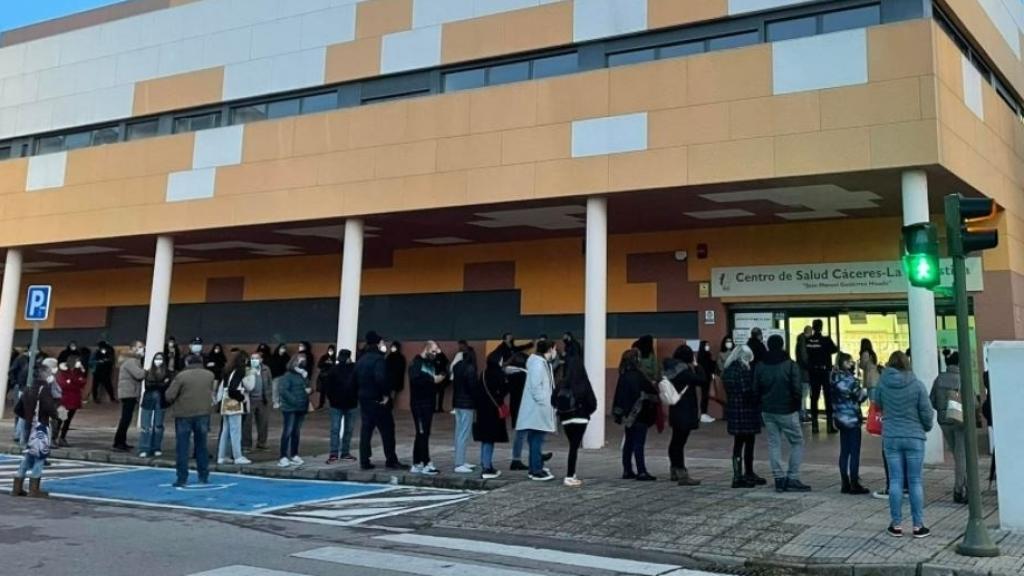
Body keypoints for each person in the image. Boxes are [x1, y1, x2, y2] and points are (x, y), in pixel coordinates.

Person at [875, 351, 934, 538]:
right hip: (914, 436)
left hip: (891, 436)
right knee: (915, 480)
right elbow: (926, 412)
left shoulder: (882, 384)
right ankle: (918, 525)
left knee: (895, 481)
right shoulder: (917, 385)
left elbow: (877, 404)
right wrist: (925, 427)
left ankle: (896, 524)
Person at [756, 334, 810, 493]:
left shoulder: (760, 365)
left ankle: (778, 478)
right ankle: (792, 477)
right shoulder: (790, 364)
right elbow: (797, 388)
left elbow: (755, 387)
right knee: (797, 441)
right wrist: (796, 406)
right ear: (782, 345)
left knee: (774, 443)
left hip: (767, 410)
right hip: (787, 410)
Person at [164, 354, 216, 487]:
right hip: (203, 413)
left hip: (183, 414)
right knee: (201, 446)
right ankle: (203, 475)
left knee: (182, 447)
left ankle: (182, 478)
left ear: (187, 362)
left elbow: (169, 395)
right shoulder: (209, 375)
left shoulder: (181, 376)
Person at [355, 331, 404, 470]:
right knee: (387, 430)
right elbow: (381, 379)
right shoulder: (379, 360)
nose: (384, 345)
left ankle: (364, 460)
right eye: (382, 343)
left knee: (366, 431)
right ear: (377, 343)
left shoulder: (361, 359)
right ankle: (391, 459)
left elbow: (355, 379)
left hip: (364, 399)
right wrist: (386, 395)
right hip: (378, 400)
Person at [11, 360, 59, 498]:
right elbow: (49, 408)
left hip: (28, 425)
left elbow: (17, 409)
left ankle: (17, 487)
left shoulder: (28, 389)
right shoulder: (44, 390)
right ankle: (34, 489)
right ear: (44, 375)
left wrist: (27, 416)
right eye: (49, 373)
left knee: (29, 455)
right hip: (40, 426)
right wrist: (56, 414)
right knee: (40, 456)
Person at [555, 346, 597, 487]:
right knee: (574, 447)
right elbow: (593, 403)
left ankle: (571, 474)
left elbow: (553, 401)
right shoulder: (584, 383)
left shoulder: (561, 383)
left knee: (572, 445)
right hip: (581, 418)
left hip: (566, 419)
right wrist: (586, 412)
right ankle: (569, 475)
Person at [723, 345, 764, 488]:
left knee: (738, 443)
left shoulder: (728, 369)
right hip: (746, 411)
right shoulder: (742, 370)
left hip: (734, 410)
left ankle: (738, 474)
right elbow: (748, 391)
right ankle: (745, 474)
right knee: (749, 443)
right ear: (743, 357)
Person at [613, 349, 658, 481]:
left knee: (628, 442)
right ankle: (642, 471)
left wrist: (619, 414)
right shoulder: (639, 375)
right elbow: (651, 393)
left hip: (628, 416)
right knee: (639, 443)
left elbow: (619, 397)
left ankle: (627, 470)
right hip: (641, 413)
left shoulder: (623, 375)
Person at [516, 339, 557, 481]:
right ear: (550, 349)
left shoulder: (540, 363)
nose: (555, 352)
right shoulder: (538, 365)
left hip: (538, 408)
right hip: (538, 409)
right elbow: (536, 387)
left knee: (535, 438)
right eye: (554, 349)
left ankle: (535, 466)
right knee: (536, 439)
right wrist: (545, 402)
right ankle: (536, 470)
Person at [931, 352, 967, 504]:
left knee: (956, 454)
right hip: (960, 421)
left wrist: (941, 410)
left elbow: (932, 400)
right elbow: (972, 402)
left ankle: (961, 486)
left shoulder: (939, 379)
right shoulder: (963, 379)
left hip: (944, 421)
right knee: (961, 457)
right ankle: (959, 489)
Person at [832, 352, 869, 495]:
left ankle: (844, 482)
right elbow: (860, 397)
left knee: (844, 451)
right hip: (852, 419)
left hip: (840, 418)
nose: (852, 364)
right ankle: (854, 482)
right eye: (849, 362)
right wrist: (865, 389)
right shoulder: (850, 380)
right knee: (854, 452)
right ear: (844, 363)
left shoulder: (833, 378)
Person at [667, 346, 702, 486]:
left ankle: (674, 468)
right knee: (680, 442)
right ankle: (681, 472)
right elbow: (701, 380)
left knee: (675, 440)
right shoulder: (684, 372)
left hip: (675, 408)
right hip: (685, 409)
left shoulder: (671, 369)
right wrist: (697, 365)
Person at [408, 343, 443, 474]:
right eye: (433, 352)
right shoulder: (416, 363)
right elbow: (415, 378)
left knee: (423, 433)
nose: (435, 354)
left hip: (428, 403)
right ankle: (425, 461)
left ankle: (417, 462)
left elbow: (442, 369)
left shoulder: (431, 363)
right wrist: (432, 379)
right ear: (427, 349)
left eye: (436, 352)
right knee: (422, 433)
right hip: (419, 404)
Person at [216, 351, 255, 465]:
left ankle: (222, 456)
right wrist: (241, 397)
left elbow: (227, 387)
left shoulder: (228, 371)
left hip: (225, 401)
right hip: (234, 403)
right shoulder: (240, 371)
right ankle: (238, 456)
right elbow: (235, 389)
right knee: (235, 431)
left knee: (225, 431)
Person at [475, 356, 510, 480]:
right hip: (494, 411)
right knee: (490, 439)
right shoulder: (499, 374)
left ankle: (485, 463)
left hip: (482, 410)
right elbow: (505, 389)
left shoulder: (483, 373)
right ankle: (487, 467)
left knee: (485, 439)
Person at [324, 349, 358, 463]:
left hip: (338, 404)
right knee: (348, 430)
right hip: (350, 404)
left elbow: (328, 388)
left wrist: (332, 399)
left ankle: (334, 453)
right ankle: (344, 452)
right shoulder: (354, 369)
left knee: (335, 429)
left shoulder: (334, 370)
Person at [276, 354, 311, 467]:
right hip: (290, 408)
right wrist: (295, 401)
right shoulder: (287, 376)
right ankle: (283, 456)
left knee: (296, 432)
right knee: (288, 431)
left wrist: (307, 381)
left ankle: (294, 454)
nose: (302, 363)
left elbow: (307, 388)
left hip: (301, 407)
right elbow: (283, 391)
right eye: (299, 360)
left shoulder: (303, 376)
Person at [806, 319, 838, 434]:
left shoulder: (808, 340)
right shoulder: (826, 340)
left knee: (814, 397)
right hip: (824, 371)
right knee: (827, 397)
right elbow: (835, 349)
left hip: (813, 372)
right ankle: (830, 426)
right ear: (821, 327)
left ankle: (815, 425)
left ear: (813, 327)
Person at [113, 341, 146, 452]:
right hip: (129, 392)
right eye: (139, 347)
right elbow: (139, 374)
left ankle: (120, 441)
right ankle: (119, 442)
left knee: (126, 418)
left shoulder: (131, 360)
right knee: (125, 419)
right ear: (132, 348)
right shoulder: (131, 361)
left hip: (128, 392)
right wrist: (148, 371)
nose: (142, 349)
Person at [138, 352, 171, 458]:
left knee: (158, 426)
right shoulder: (148, 372)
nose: (158, 361)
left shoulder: (168, 373)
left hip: (161, 401)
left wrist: (158, 384)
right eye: (156, 358)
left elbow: (166, 385)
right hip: (148, 401)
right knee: (145, 426)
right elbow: (148, 385)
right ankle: (144, 448)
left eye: (160, 358)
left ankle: (156, 448)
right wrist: (161, 383)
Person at [452, 346, 478, 474]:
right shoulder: (471, 368)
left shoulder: (457, 366)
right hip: (467, 404)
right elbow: (473, 388)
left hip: (457, 403)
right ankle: (459, 463)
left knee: (458, 433)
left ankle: (460, 460)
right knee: (464, 434)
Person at [506, 352, 533, 471]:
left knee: (522, 433)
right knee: (523, 434)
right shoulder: (523, 375)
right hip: (524, 406)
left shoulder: (511, 374)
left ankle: (521, 458)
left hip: (515, 406)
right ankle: (517, 459)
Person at [242, 350, 273, 451]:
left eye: (256, 358)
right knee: (247, 423)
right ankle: (247, 444)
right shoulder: (247, 369)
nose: (254, 360)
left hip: (263, 399)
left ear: (261, 360)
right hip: (250, 399)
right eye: (252, 358)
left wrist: (269, 397)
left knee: (263, 422)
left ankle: (262, 442)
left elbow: (269, 383)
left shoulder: (266, 369)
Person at [53, 356, 87, 447]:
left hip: (74, 400)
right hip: (64, 401)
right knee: (60, 420)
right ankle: (53, 438)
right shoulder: (61, 373)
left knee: (67, 421)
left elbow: (82, 382)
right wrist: (74, 382)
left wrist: (73, 380)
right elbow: (64, 385)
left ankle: (62, 438)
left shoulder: (77, 372)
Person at [696, 340, 717, 423]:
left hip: (706, 378)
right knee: (704, 396)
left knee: (705, 396)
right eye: (706, 345)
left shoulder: (705, 355)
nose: (708, 346)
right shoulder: (703, 356)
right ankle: (703, 414)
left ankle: (704, 413)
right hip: (704, 378)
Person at [796, 325, 813, 423]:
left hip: (802, 372)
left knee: (803, 394)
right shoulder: (803, 341)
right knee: (804, 394)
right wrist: (809, 366)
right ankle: (802, 414)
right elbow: (804, 356)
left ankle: (803, 413)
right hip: (804, 373)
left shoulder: (800, 340)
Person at [316, 344, 337, 410]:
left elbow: (336, 366)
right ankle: (321, 404)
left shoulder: (335, 357)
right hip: (323, 376)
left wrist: (331, 363)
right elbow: (319, 365)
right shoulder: (324, 357)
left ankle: (332, 405)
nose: (330, 351)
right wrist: (325, 363)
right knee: (323, 392)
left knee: (330, 392)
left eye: (332, 350)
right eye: (329, 350)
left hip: (331, 377)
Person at [386, 341, 407, 408]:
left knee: (392, 393)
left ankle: (389, 404)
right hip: (393, 379)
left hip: (393, 379)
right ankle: (389, 404)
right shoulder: (393, 357)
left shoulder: (391, 357)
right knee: (392, 393)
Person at [433, 348, 451, 413]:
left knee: (436, 393)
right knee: (439, 393)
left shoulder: (439, 356)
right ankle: (439, 408)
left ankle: (437, 408)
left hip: (438, 377)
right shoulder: (441, 356)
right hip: (440, 377)